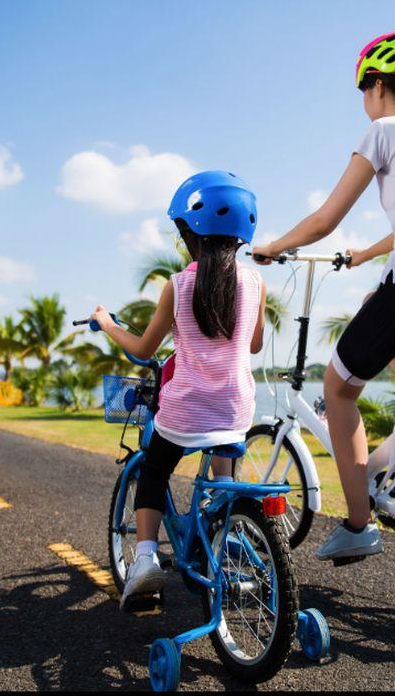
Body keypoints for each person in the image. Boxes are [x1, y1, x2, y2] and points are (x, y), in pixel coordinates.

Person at [252, 29, 395, 562]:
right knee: (374, 311)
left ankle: (359, 525)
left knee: (337, 389)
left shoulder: (384, 132)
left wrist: (274, 246)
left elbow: (324, 218)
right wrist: (361, 256)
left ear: (378, 86)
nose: (363, 104)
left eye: (363, 91)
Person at [92, 170, 268, 610]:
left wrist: (110, 325)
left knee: (154, 470)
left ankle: (147, 557)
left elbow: (144, 348)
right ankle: (225, 535)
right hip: (234, 410)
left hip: (186, 411)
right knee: (223, 479)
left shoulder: (179, 284)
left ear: (190, 234)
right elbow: (255, 343)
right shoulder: (256, 283)